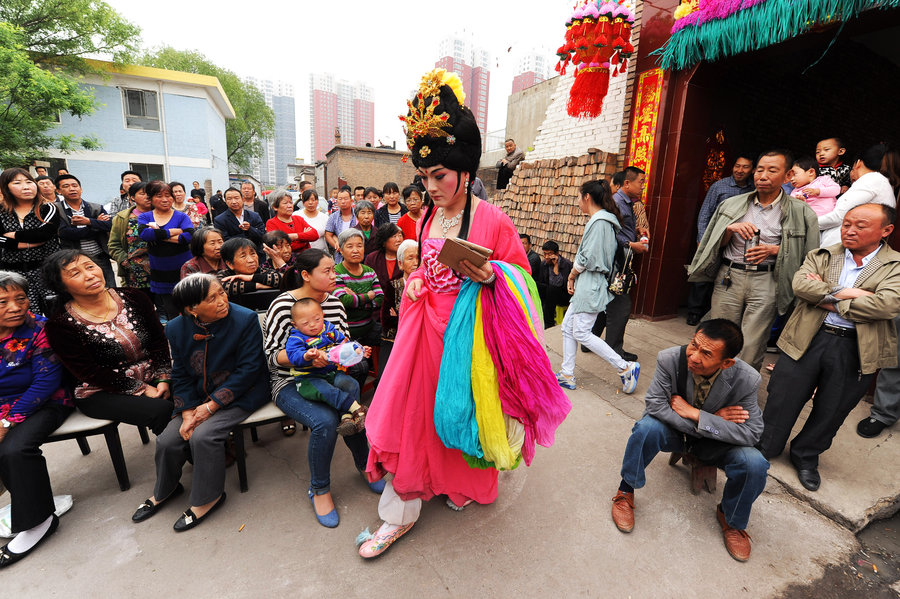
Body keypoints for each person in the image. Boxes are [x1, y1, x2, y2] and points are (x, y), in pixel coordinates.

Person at [359, 69, 568, 559]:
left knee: (459, 414)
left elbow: (523, 278)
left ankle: (455, 483)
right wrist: (415, 280)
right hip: (421, 329)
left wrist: (494, 276)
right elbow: (427, 265)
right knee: (412, 416)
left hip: (469, 335)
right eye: (425, 177)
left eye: (440, 176)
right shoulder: (430, 214)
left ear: (466, 173)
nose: (430, 188)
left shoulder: (493, 219)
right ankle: (400, 510)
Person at [759, 204, 900, 491]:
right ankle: (765, 446)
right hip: (807, 336)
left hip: (856, 347)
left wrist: (826, 295)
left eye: (860, 225)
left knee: (833, 407)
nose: (849, 230)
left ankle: (806, 456)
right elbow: (800, 286)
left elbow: (886, 304)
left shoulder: (895, 265)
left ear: (886, 230)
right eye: (847, 223)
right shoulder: (823, 254)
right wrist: (850, 293)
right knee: (783, 395)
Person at [611, 319, 769, 562]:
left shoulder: (747, 379)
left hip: (716, 443)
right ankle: (625, 491)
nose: (694, 356)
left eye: (706, 353)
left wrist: (698, 416)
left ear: (726, 363)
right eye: (694, 344)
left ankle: (731, 519)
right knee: (646, 429)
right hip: (677, 434)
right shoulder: (670, 359)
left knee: (755, 463)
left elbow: (752, 433)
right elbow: (655, 405)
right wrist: (709, 423)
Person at [132, 274, 269, 531]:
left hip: (244, 391)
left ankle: (209, 497)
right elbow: (181, 373)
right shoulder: (175, 328)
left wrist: (211, 406)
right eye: (212, 298)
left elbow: (250, 370)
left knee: (203, 436)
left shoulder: (244, 319)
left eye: (221, 293)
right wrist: (185, 411)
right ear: (191, 309)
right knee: (168, 439)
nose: (222, 301)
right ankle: (167, 489)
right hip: (197, 395)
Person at [263, 249, 382, 528]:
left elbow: (343, 346)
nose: (335, 276)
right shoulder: (283, 306)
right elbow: (271, 356)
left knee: (350, 387)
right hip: (292, 380)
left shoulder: (335, 304)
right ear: (306, 275)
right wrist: (305, 356)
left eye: (334, 269)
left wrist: (354, 352)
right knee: (325, 421)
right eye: (327, 271)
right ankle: (320, 489)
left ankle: (365, 465)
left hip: (330, 375)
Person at [687, 150, 820, 372]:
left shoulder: (802, 212)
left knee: (752, 343)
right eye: (760, 169)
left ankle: (738, 393)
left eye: (772, 170)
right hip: (729, 276)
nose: (763, 175)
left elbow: (810, 253)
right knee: (718, 337)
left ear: (787, 176)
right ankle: (708, 386)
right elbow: (712, 245)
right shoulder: (731, 204)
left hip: (768, 279)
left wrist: (777, 249)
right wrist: (729, 230)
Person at [43, 250, 173, 435]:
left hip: (151, 373)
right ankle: (190, 459)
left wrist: (163, 378)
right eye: (75, 273)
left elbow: (158, 341)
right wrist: (142, 389)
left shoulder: (134, 297)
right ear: (61, 286)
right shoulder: (60, 324)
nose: (89, 275)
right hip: (100, 391)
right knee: (161, 410)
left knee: (192, 390)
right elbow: (89, 372)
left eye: (90, 266)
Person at [0, 272, 73, 569]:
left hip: (45, 402)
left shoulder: (40, 328)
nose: (15, 307)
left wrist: (6, 423)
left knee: (15, 449)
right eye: (3, 302)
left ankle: (39, 521)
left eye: (21, 298)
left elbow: (46, 382)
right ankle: (23, 501)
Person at [556, 180, 641, 393]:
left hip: (591, 282)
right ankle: (567, 373)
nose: (577, 202)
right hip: (589, 282)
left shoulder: (599, 222)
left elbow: (588, 258)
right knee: (568, 327)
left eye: (578, 197)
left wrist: (572, 275)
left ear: (587, 197)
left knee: (582, 332)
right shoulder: (603, 221)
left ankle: (625, 367)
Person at [686, 156, 755, 325]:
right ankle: (694, 311)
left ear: (752, 170)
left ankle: (713, 313)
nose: (740, 170)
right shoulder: (719, 186)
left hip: (738, 242)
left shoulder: (754, 189)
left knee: (724, 276)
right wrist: (701, 239)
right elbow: (705, 213)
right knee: (704, 272)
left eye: (745, 167)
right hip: (715, 238)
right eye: (737, 166)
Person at [285, 298, 368, 436]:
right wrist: (306, 356)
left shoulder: (328, 328)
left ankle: (345, 419)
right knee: (328, 391)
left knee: (350, 383)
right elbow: (293, 355)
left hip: (331, 373)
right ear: (295, 325)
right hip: (308, 379)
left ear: (323, 315)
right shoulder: (297, 338)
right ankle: (357, 409)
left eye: (317, 319)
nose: (313, 325)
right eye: (305, 323)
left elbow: (344, 343)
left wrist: (357, 349)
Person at [593, 166, 649, 361]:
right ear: (627, 183)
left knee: (608, 301)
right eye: (640, 182)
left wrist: (638, 230)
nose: (643, 186)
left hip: (622, 259)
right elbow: (608, 234)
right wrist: (631, 244)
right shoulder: (617, 203)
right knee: (621, 306)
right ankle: (613, 351)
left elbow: (622, 230)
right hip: (617, 262)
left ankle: (589, 341)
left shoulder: (626, 203)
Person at [0, 168, 62, 315]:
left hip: (46, 270)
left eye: (29, 182)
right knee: (27, 315)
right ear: (5, 187)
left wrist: (13, 235)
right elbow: (1, 240)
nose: (26, 186)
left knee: (56, 311)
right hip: (13, 273)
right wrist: (25, 242)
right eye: (17, 183)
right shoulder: (1, 212)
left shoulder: (48, 208)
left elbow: (43, 235)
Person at [817, 144, 897, 247]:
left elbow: (838, 217)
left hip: (839, 247)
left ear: (858, 163)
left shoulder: (871, 179)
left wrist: (803, 224)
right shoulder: (884, 184)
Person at [138, 181, 194, 320]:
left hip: (183, 270)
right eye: (159, 195)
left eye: (168, 195)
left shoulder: (181, 216)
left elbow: (188, 236)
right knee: (172, 312)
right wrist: (175, 231)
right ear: (150, 198)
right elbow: (145, 235)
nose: (165, 199)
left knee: (191, 308)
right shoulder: (145, 217)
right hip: (161, 273)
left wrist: (159, 234)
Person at [55, 174, 115, 288]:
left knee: (109, 288)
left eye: (74, 185)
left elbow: (110, 225)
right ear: (58, 191)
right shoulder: (56, 209)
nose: (72, 189)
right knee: (83, 290)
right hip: (73, 259)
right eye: (66, 186)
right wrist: (96, 224)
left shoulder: (95, 207)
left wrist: (88, 221)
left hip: (100, 256)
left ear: (81, 188)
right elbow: (65, 233)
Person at [365, 224, 405, 374]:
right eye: (394, 236)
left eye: (400, 235)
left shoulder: (407, 256)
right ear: (383, 241)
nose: (398, 239)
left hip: (401, 308)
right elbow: (369, 285)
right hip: (377, 309)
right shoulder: (372, 258)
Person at [334, 229, 383, 345]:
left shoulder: (369, 271)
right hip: (346, 332)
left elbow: (380, 299)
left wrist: (356, 298)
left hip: (369, 327)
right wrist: (369, 296)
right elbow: (344, 301)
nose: (355, 250)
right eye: (350, 246)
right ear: (340, 250)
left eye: (359, 246)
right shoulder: (336, 272)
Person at [108, 181, 152, 292]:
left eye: (150, 193)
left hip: (162, 270)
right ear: (132, 197)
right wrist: (125, 261)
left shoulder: (164, 214)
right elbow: (114, 245)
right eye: (142, 193)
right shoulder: (122, 218)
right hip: (135, 272)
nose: (147, 196)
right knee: (142, 304)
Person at [217, 237, 283, 300]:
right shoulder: (224, 274)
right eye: (243, 256)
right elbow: (221, 287)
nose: (251, 260)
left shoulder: (264, 270)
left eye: (253, 254)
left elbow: (282, 278)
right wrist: (257, 285)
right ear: (230, 264)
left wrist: (251, 277)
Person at [266, 189, 318, 256]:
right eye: (285, 203)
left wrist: (294, 236)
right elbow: (281, 247)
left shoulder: (298, 219)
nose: (290, 206)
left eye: (291, 202)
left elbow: (315, 235)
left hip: (306, 259)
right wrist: (305, 240)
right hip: (287, 262)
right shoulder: (272, 223)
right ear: (275, 207)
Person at [537, 240, 572, 328]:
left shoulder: (566, 264)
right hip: (549, 295)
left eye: (549, 254)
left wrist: (556, 267)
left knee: (552, 289)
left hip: (564, 295)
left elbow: (561, 285)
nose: (546, 257)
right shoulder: (544, 264)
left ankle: (549, 323)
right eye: (545, 254)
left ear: (556, 253)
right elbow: (542, 282)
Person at [324, 189, 357, 263]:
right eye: (340, 199)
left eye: (346, 199)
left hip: (357, 253)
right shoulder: (333, 217)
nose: (343, 201)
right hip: (340, 256)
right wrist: (337, 247)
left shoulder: (357, 215)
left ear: (351, 201)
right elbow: (328, 235)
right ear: (337, 202)